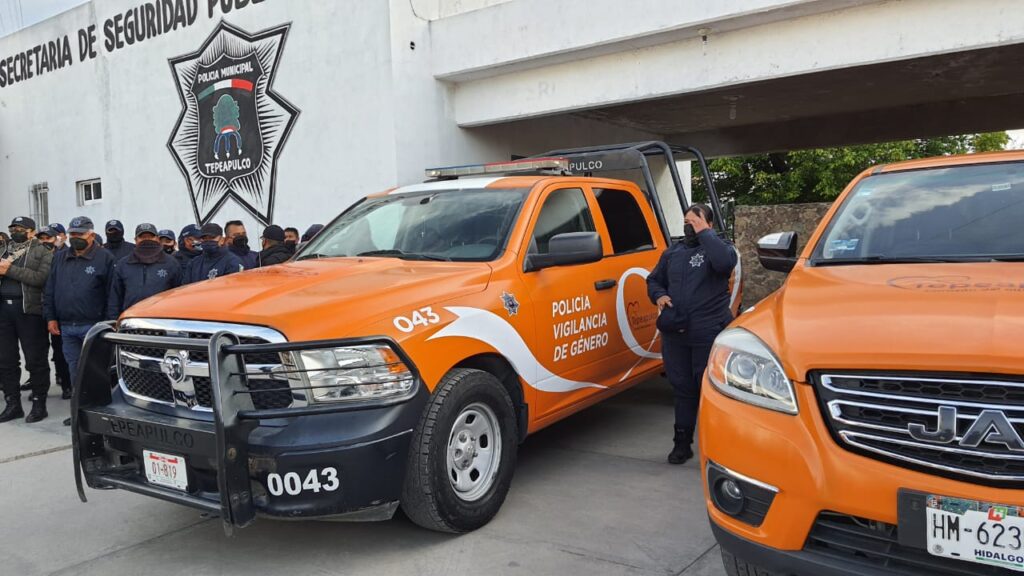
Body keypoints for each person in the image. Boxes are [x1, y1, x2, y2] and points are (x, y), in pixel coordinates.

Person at [647, 204, 737, 465]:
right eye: (686, 221)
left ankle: (718, 451)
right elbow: (654, 280)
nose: (690, 226)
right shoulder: (673, 252)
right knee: (682, 389)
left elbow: (724, 264)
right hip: (676, 333)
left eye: (695, 222)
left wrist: (705, 234)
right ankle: (682, 444)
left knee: (709, 391)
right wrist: (659, 295)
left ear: (708, 223)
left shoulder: (719, 248)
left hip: (708, 331)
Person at [43, 216, 116, 413]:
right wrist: (50, 317)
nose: (75, 237)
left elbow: (112, 293)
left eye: (80, 234)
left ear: (91, 235)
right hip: (67, 326)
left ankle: (99, 411)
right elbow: (51, 288)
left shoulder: (105, 258)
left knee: (96, 371)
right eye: (72, 233)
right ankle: (79, 411)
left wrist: (109, 322)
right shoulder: (60, 257)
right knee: (74, 370)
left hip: (93, 325)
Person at [0, 217, 55, 423]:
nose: (16, 231)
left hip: (29, 311)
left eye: (21, 228)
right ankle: (13, 404)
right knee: (6, 360)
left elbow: (41, 278)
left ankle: (39, 404)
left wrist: (9, 270)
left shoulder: (42, 251)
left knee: (35, 360)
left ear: (32, 231)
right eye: (13, 228)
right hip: (3, 310)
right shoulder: (4, 249)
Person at [108, 223, 182, 318]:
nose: (146, 240)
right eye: (142, 237)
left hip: (162, 319)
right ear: (135, 240)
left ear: (157, 239)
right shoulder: (123, 264)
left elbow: (177, 296)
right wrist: (114, 321)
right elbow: (115, 298)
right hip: (131, 319)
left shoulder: (171, 263)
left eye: (150, 237)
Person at [34, 227, 73, 399]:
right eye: (41, 238)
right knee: (38, 351)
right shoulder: (33, 256)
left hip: (58, 310)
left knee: (61, 351)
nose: (44, 241)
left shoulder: (65, 256)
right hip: (36, 308)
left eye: (48, 238)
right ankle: (39, 387)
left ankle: (67, 384)